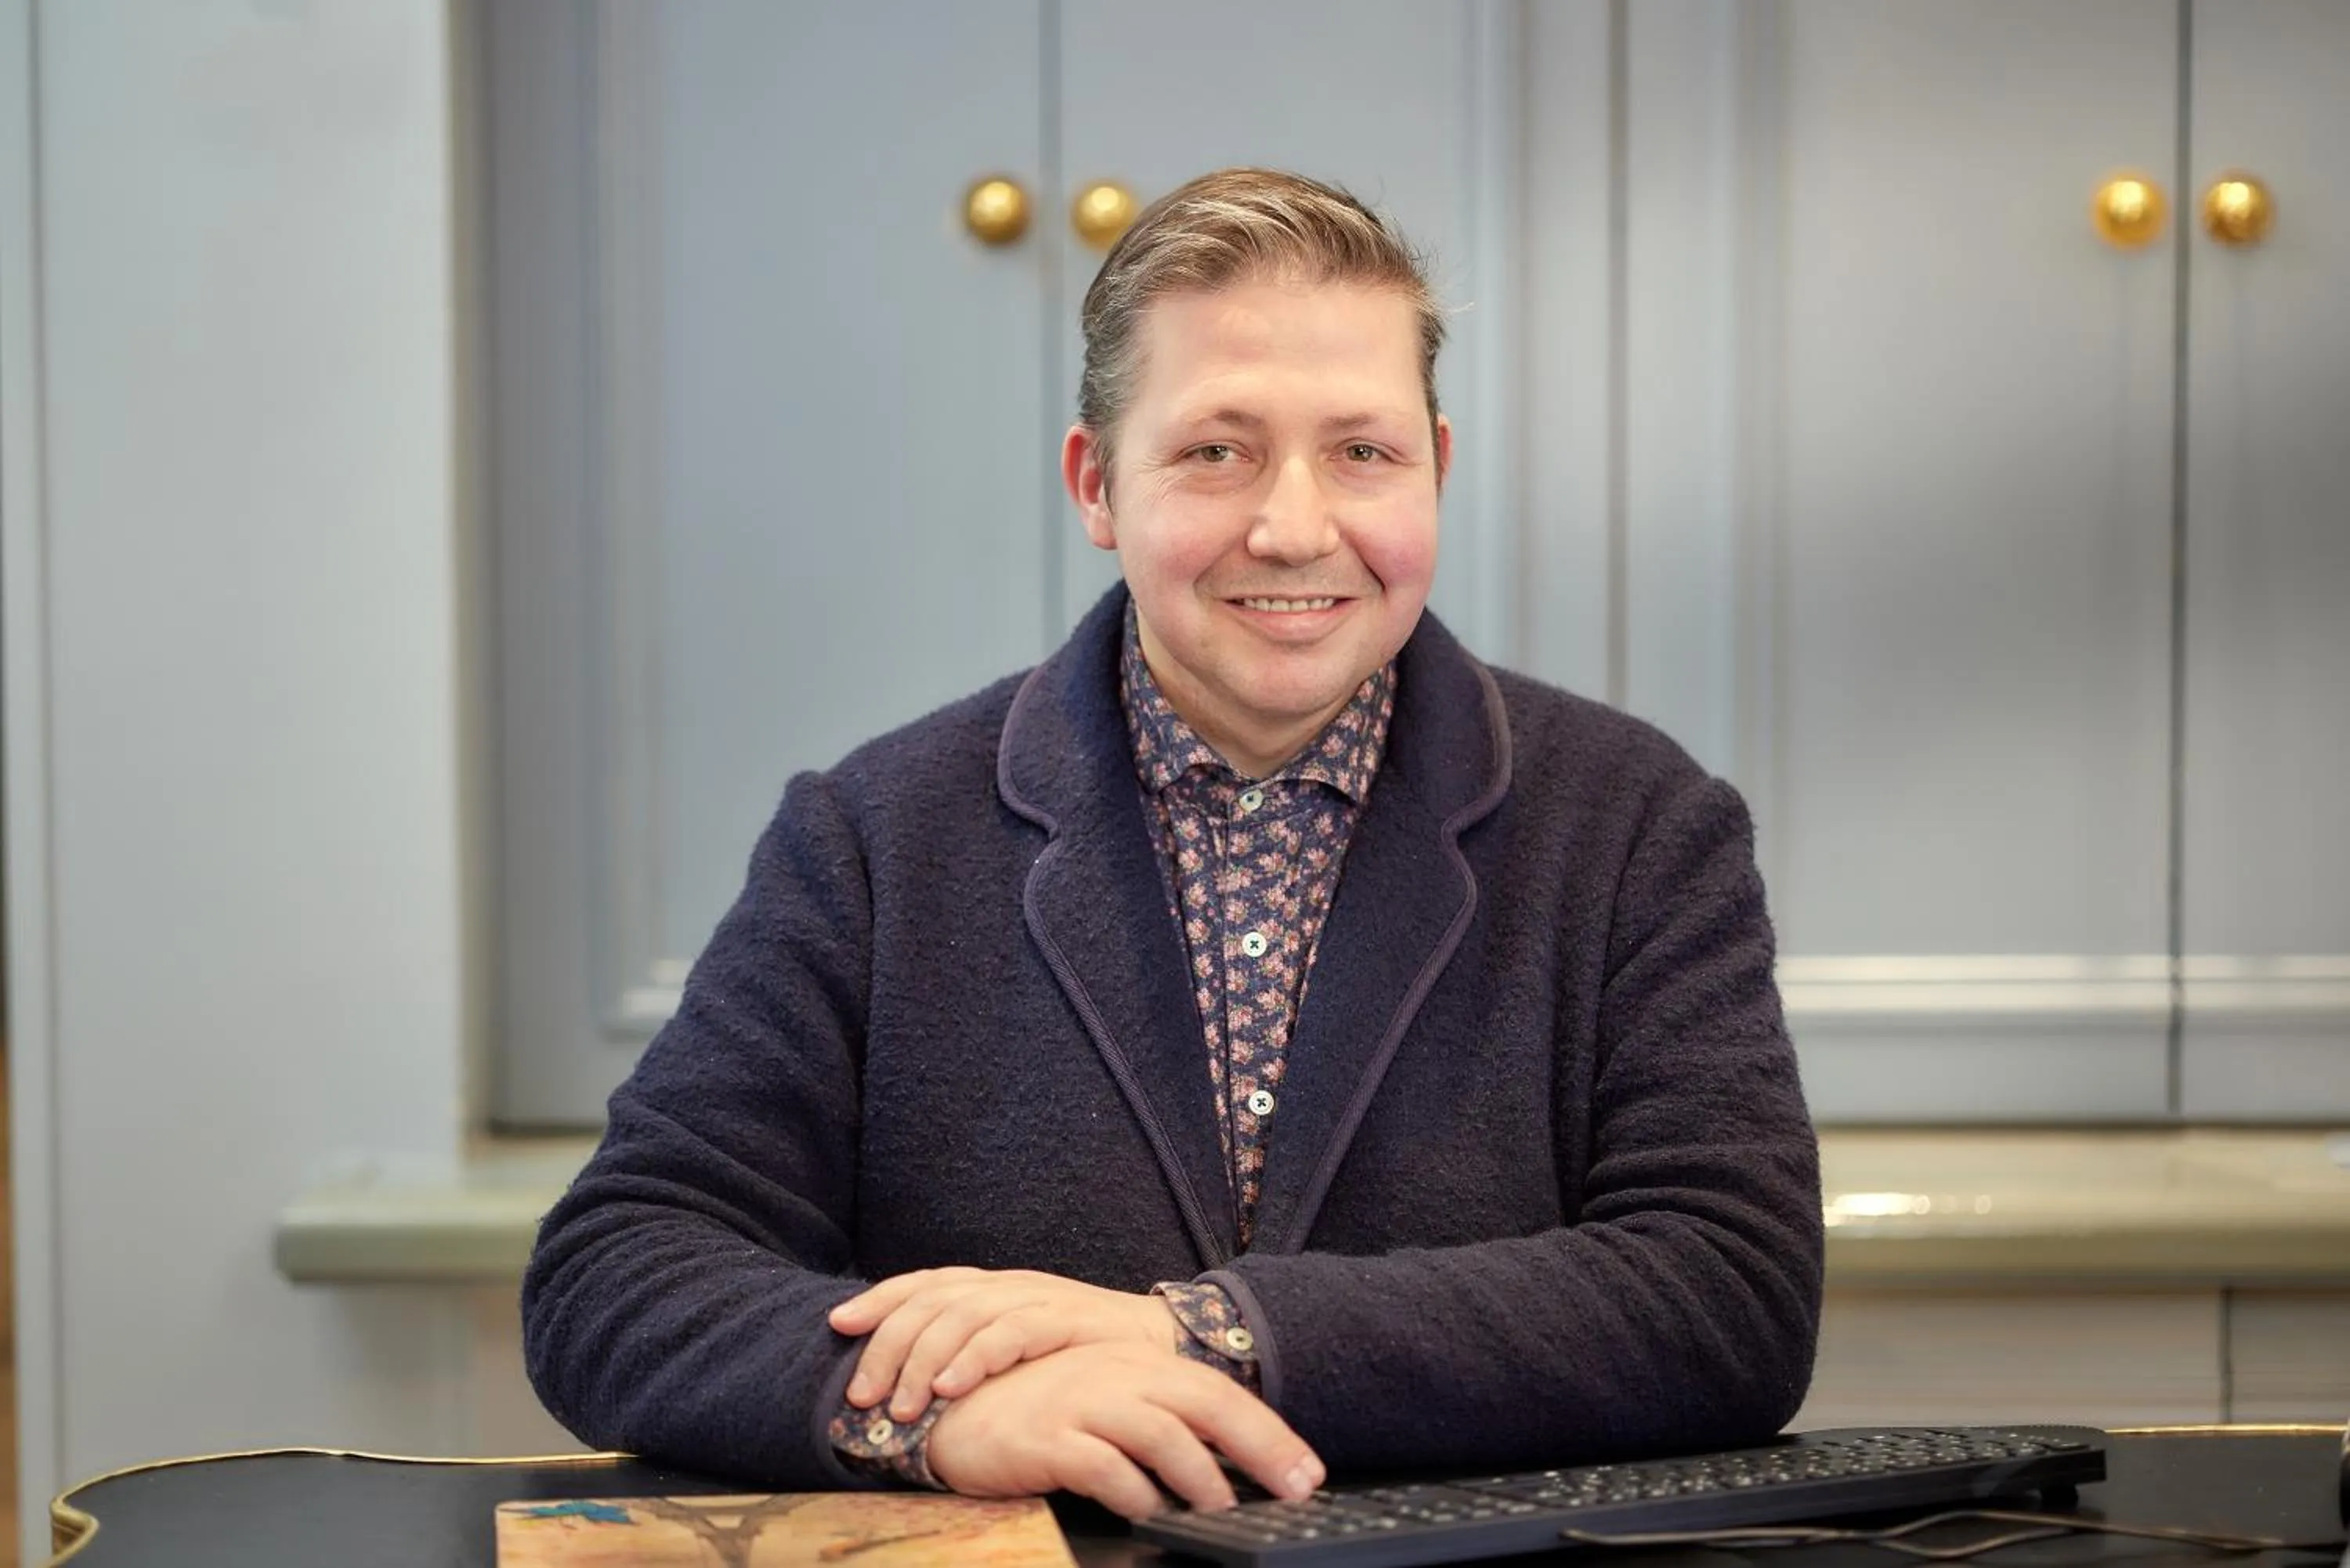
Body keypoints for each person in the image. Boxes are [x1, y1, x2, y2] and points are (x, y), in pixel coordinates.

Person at [522, 167, 1823, 1523]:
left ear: (1437, 466)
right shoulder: (869, 840)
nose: (1295, 529)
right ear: (1098, 484)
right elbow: (615, 1271)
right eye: (1217, 451)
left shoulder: (1639, 825)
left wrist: (1202, 1334)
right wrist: (935, 1413)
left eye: (1363, 452)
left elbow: (1730, 1292)